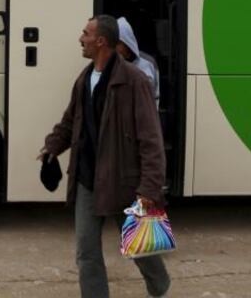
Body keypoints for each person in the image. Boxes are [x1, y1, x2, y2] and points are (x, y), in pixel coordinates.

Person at [38, 15, 171, 298]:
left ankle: (160, 286)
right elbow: (71, 120)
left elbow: (151, 139)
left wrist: (149, 187)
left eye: (85, 33)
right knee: (86, 251)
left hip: (123, 181)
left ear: (101, 41)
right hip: (87, 178)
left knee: (139, 247)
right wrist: (53, 146)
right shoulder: (84, 78)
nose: (80, 38)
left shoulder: (135, 81)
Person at [116, 17, 160, 107]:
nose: (114, 48)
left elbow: (155, 95)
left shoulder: (149, 63)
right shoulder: (111, 64)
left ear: (127, 43)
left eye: (117, 43)